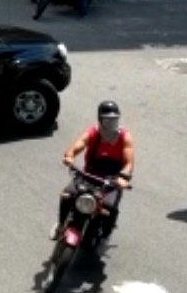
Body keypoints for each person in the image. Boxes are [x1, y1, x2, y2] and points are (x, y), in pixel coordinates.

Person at [51, 100, 135, 240]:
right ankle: (60, 226)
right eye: (107, 119)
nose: (111, 123)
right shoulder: (93, 132)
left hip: (112, 179)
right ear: (100, 119)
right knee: (67, 195)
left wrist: (123, 177)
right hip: (88, 174)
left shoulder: (124, 136)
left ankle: (105, 232)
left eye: (114, 119)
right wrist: (70, 155)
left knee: (109, 207)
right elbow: (80, 143)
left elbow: (129, 162)